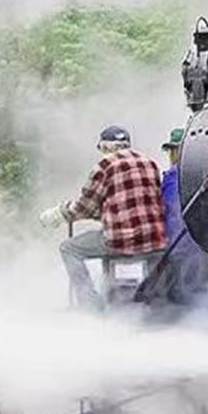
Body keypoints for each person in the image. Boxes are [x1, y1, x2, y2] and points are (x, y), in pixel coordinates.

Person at [41, 125, 167, 309]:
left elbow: (83, 207)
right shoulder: (150, 163)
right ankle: (158, 306)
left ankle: (90, 305)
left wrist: (59, 213)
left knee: (69, 248)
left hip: (120, 241)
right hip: (155, 240)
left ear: (106, 146)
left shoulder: (105, 166)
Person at [157, 127, 208, 302]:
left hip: (180, 246)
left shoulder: (174, 177)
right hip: (202, 244)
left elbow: (174, 215)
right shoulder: (203, 174)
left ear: (176, 151)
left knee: (180, 296)